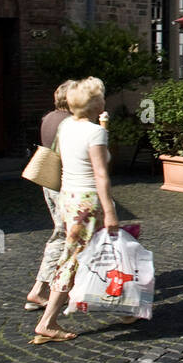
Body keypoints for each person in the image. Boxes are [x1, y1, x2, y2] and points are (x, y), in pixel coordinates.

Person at [32, 76, 120, 343]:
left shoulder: (67, 126)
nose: (104, 100)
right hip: (86, 200)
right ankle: (47, 321)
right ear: (95, 105)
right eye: (101, 97)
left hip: (68, 197)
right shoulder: (95, 132)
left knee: (93, 253)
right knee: (71, 260)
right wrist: (110, 211)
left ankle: (123, 304)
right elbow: (101, 173)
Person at [25, 81, 74, 311]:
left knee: (63, 233)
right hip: (66, 183)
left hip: (50, 183)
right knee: (64, 235)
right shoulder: (69, 123)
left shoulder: (48, 118)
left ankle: (58, 287)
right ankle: (41, 288)